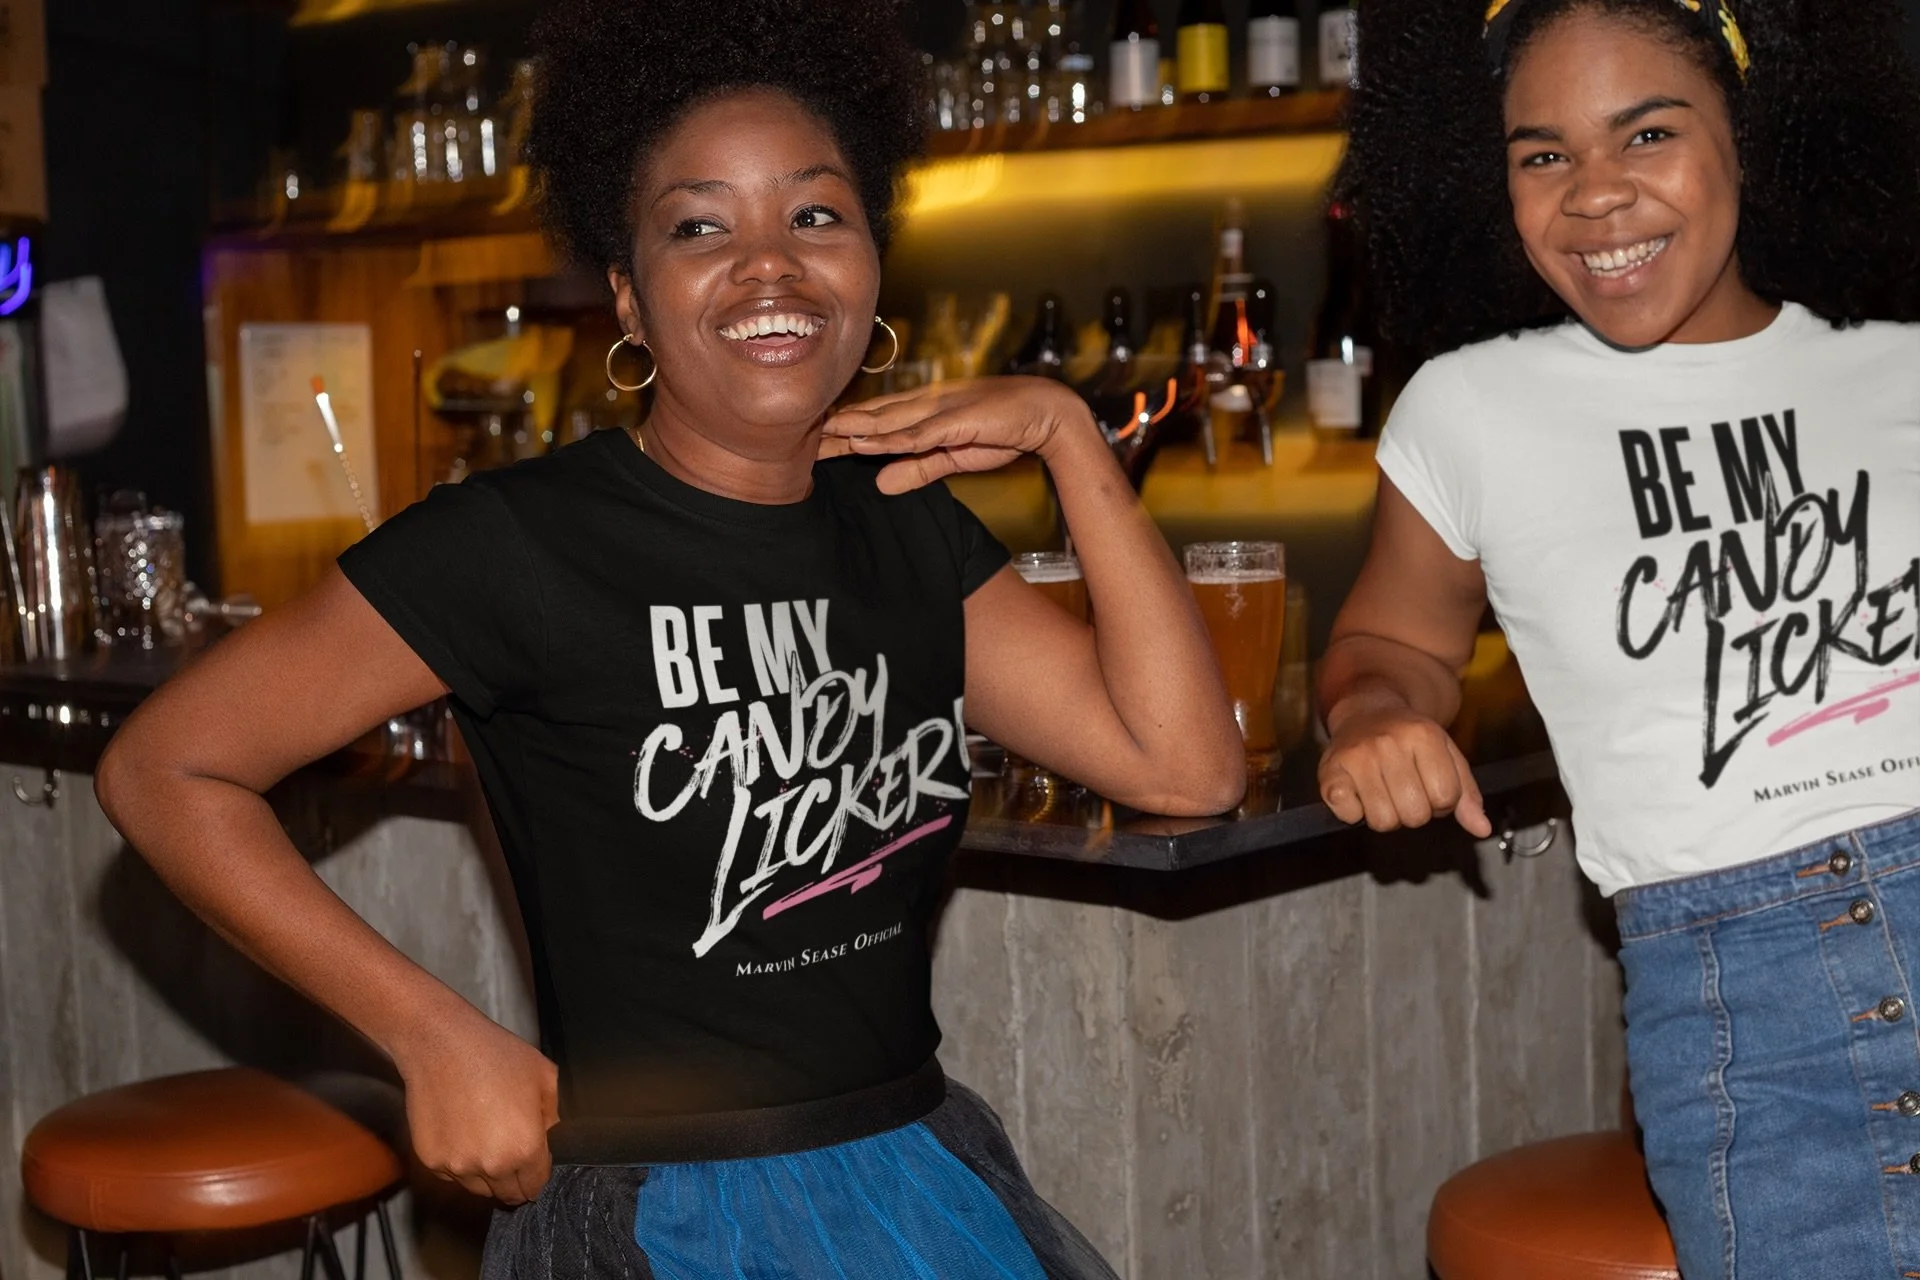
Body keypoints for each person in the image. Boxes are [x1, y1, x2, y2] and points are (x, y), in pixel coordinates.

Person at [93, 0, 1246, 1275]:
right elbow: (166, 767)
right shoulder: (515, 544)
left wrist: (1069, 441)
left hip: (906, 1170)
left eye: (817, 214)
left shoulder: (908, 525)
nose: (770, 262)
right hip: (664, 1218)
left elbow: (1182, 768)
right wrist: (431, 1032)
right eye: (702, 226)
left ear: (873, 268)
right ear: (630, 302)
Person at [1320, 0, 1920, 1274]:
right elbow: (1393, 638)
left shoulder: (1899, 357)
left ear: (1752, 134)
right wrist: (1375, 713)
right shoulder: (1470, 409)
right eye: (1543, 154)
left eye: (1646, 132)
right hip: (1750, 1006)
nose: (1595, 194)